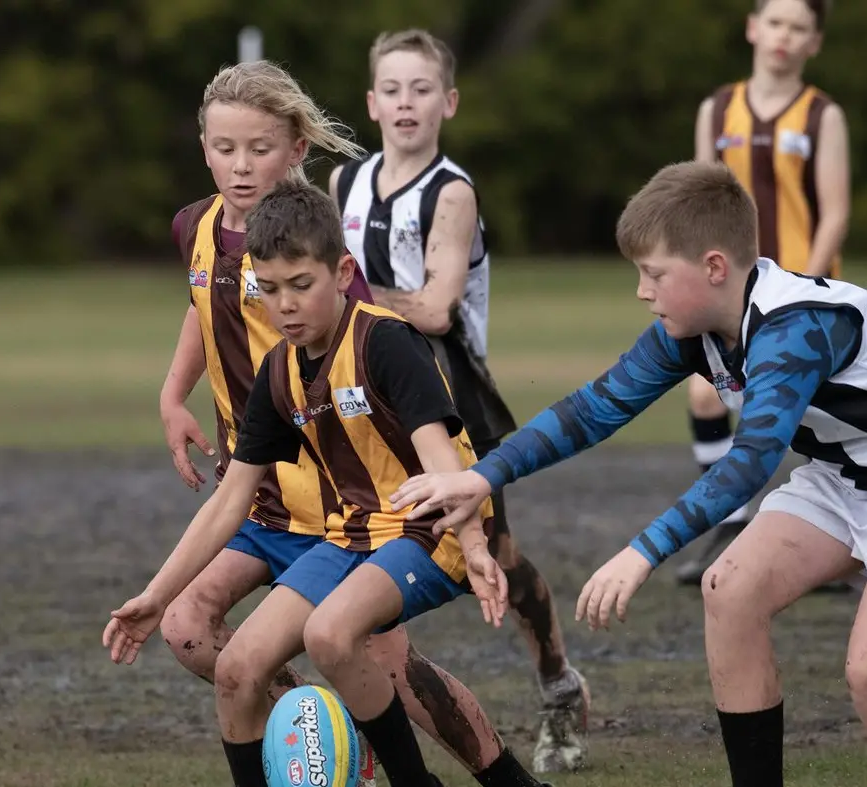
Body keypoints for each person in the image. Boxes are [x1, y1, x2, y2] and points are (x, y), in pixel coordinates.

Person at [391, 161, 867, 787]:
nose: (642, 290)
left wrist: (642, 552)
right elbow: (595, 408)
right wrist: (483, 475)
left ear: (714, 267)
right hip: (853, 467)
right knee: (730, 591)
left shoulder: (794, 327)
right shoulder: (695, 328)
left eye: (654, 273)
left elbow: (749, 466)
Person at [140, 60, 543, 785]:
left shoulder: (329, 265)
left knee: (379, 657)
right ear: (202, 146)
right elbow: (205, 310)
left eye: (258, 148)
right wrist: (175, 394)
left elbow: (393, 398)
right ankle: (320, 744)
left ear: (297, 148)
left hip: (348, 495)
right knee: (194, 631)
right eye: (224, 148)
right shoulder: (197, 231)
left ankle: (500, 776)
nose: (240, 165)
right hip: (261, 487)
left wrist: (472, 534)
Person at [327, 28, 589, 773]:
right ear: (371, 101)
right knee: (355, 546)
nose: (406, 103)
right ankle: (369, 715)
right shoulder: (345, 181)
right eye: (393, 89)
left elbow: (438, 309)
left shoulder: (451, 191)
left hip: (452, 397)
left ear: (448, 101)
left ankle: (558, 683)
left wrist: (339, 294)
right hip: (360, 393)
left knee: (496, 553)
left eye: (421, 90)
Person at [676, 0, 853, 586]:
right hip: (731, 287)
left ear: (814, 43)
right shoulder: (718, 108)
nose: (784, 35)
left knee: (808, 416)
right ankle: (732, 521)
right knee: (705, 396)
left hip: (800, 288)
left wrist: (811, 284)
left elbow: (834, 211)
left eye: (799, 27)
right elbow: (699, 198)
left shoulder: (821, 115)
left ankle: (836, 543)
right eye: (775, 22)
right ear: (753, 28)